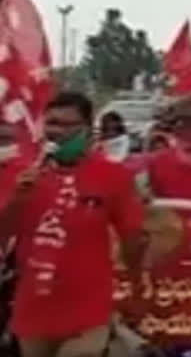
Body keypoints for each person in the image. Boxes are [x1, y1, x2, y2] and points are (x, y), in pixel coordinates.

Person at [0, 92, 145, 357]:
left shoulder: (114, 176)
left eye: (68, 125)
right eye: (52, 123)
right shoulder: (18, 173)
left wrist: (137, 289)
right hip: (33, 308)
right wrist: (17, 201)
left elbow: (132, 237)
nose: (58, 132)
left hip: (87, 309)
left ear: (88, 130)